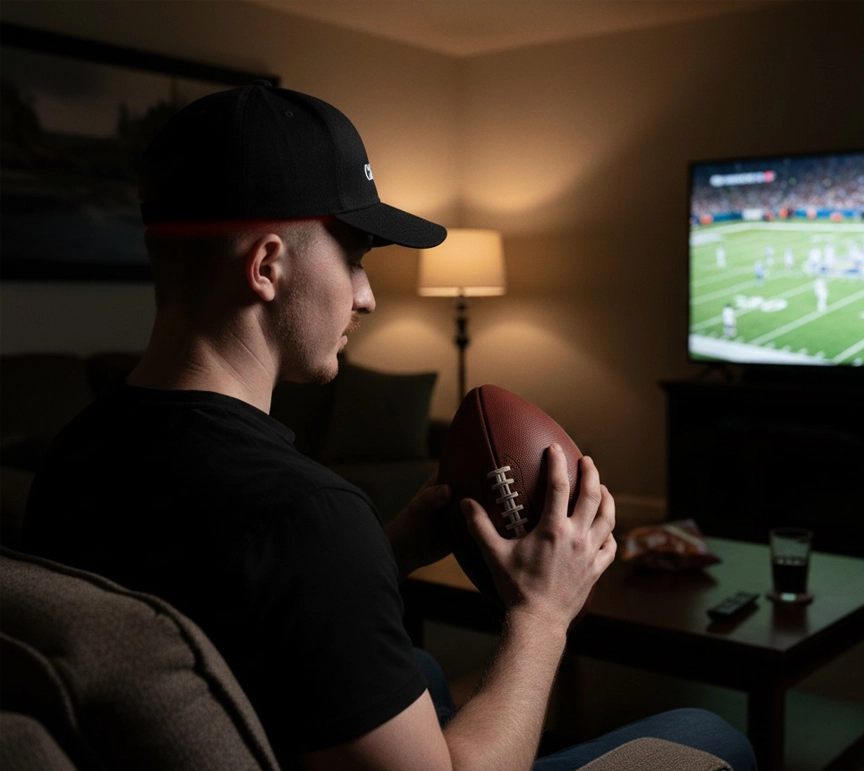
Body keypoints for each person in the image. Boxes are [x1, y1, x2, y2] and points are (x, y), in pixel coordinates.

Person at [22, 82, 755, 771]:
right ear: (268, 266)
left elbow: (230, 609)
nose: (366, 298)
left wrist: (384, 548)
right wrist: (542, 616)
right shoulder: (304, 514)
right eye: (355, 258)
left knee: (429, 669)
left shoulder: (76, 454)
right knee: (710, 733)